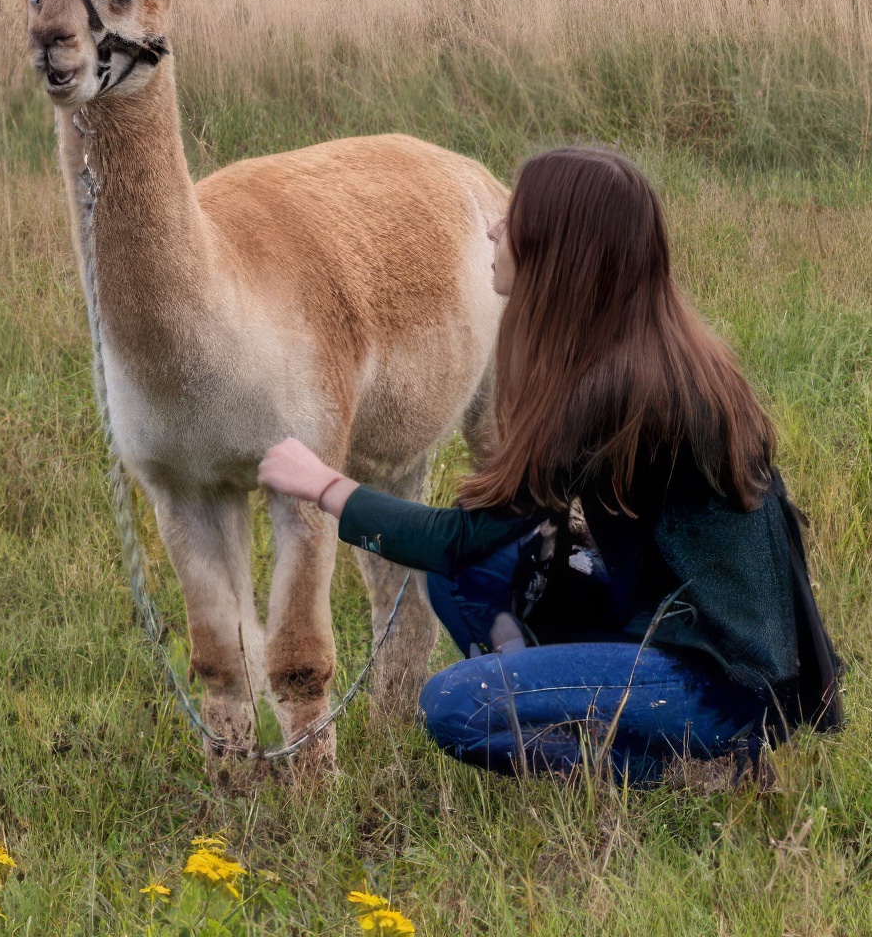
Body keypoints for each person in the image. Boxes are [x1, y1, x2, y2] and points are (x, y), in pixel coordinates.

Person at [259, 147, 841, 783]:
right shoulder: (637, 353)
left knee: (459, 705)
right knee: (470, 575)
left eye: (514, 215)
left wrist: (324, 484)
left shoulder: (612, 387)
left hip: (713, 681)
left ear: (560, 247)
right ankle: (563, 710)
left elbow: (454, 538)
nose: (492, 227)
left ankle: (692, 769)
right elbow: (476, 543)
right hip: (668, 626)